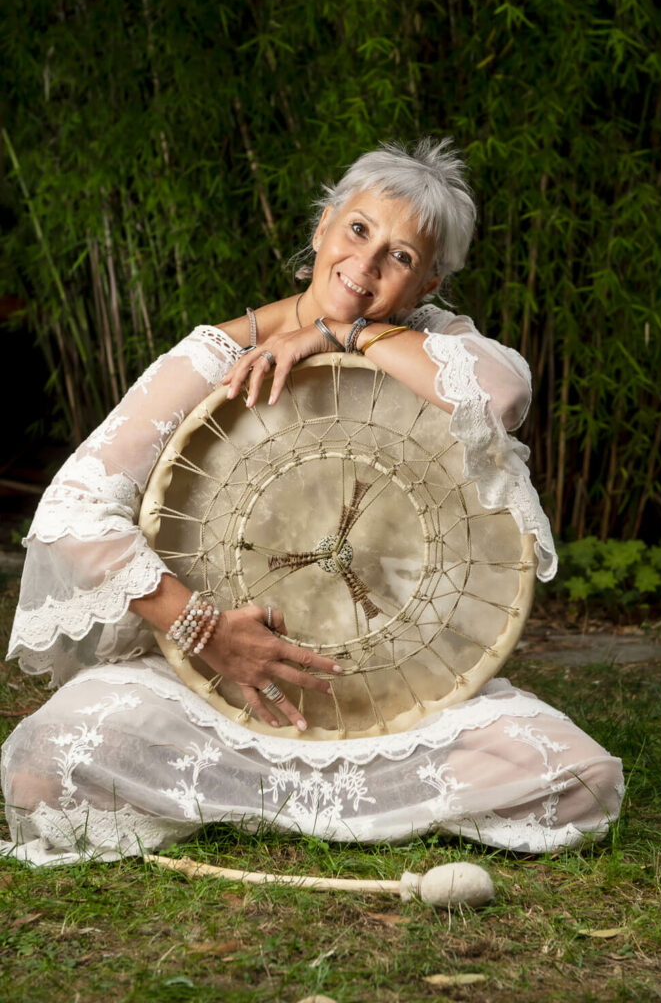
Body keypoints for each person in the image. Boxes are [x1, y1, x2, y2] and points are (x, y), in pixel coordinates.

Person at [1, 140, 623, 865]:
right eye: (358, 230)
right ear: (323, 226)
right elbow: (71, 510)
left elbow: (505, 397)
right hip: (211, 691)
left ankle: (248, 793)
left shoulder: (435, 345)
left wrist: (341, 334)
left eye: (399, 256)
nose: (365, 264)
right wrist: (203, 630)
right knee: (45, 767)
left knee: (578, 781)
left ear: (426, 285)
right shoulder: (211, 356)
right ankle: (350, 799)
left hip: (391, 702)